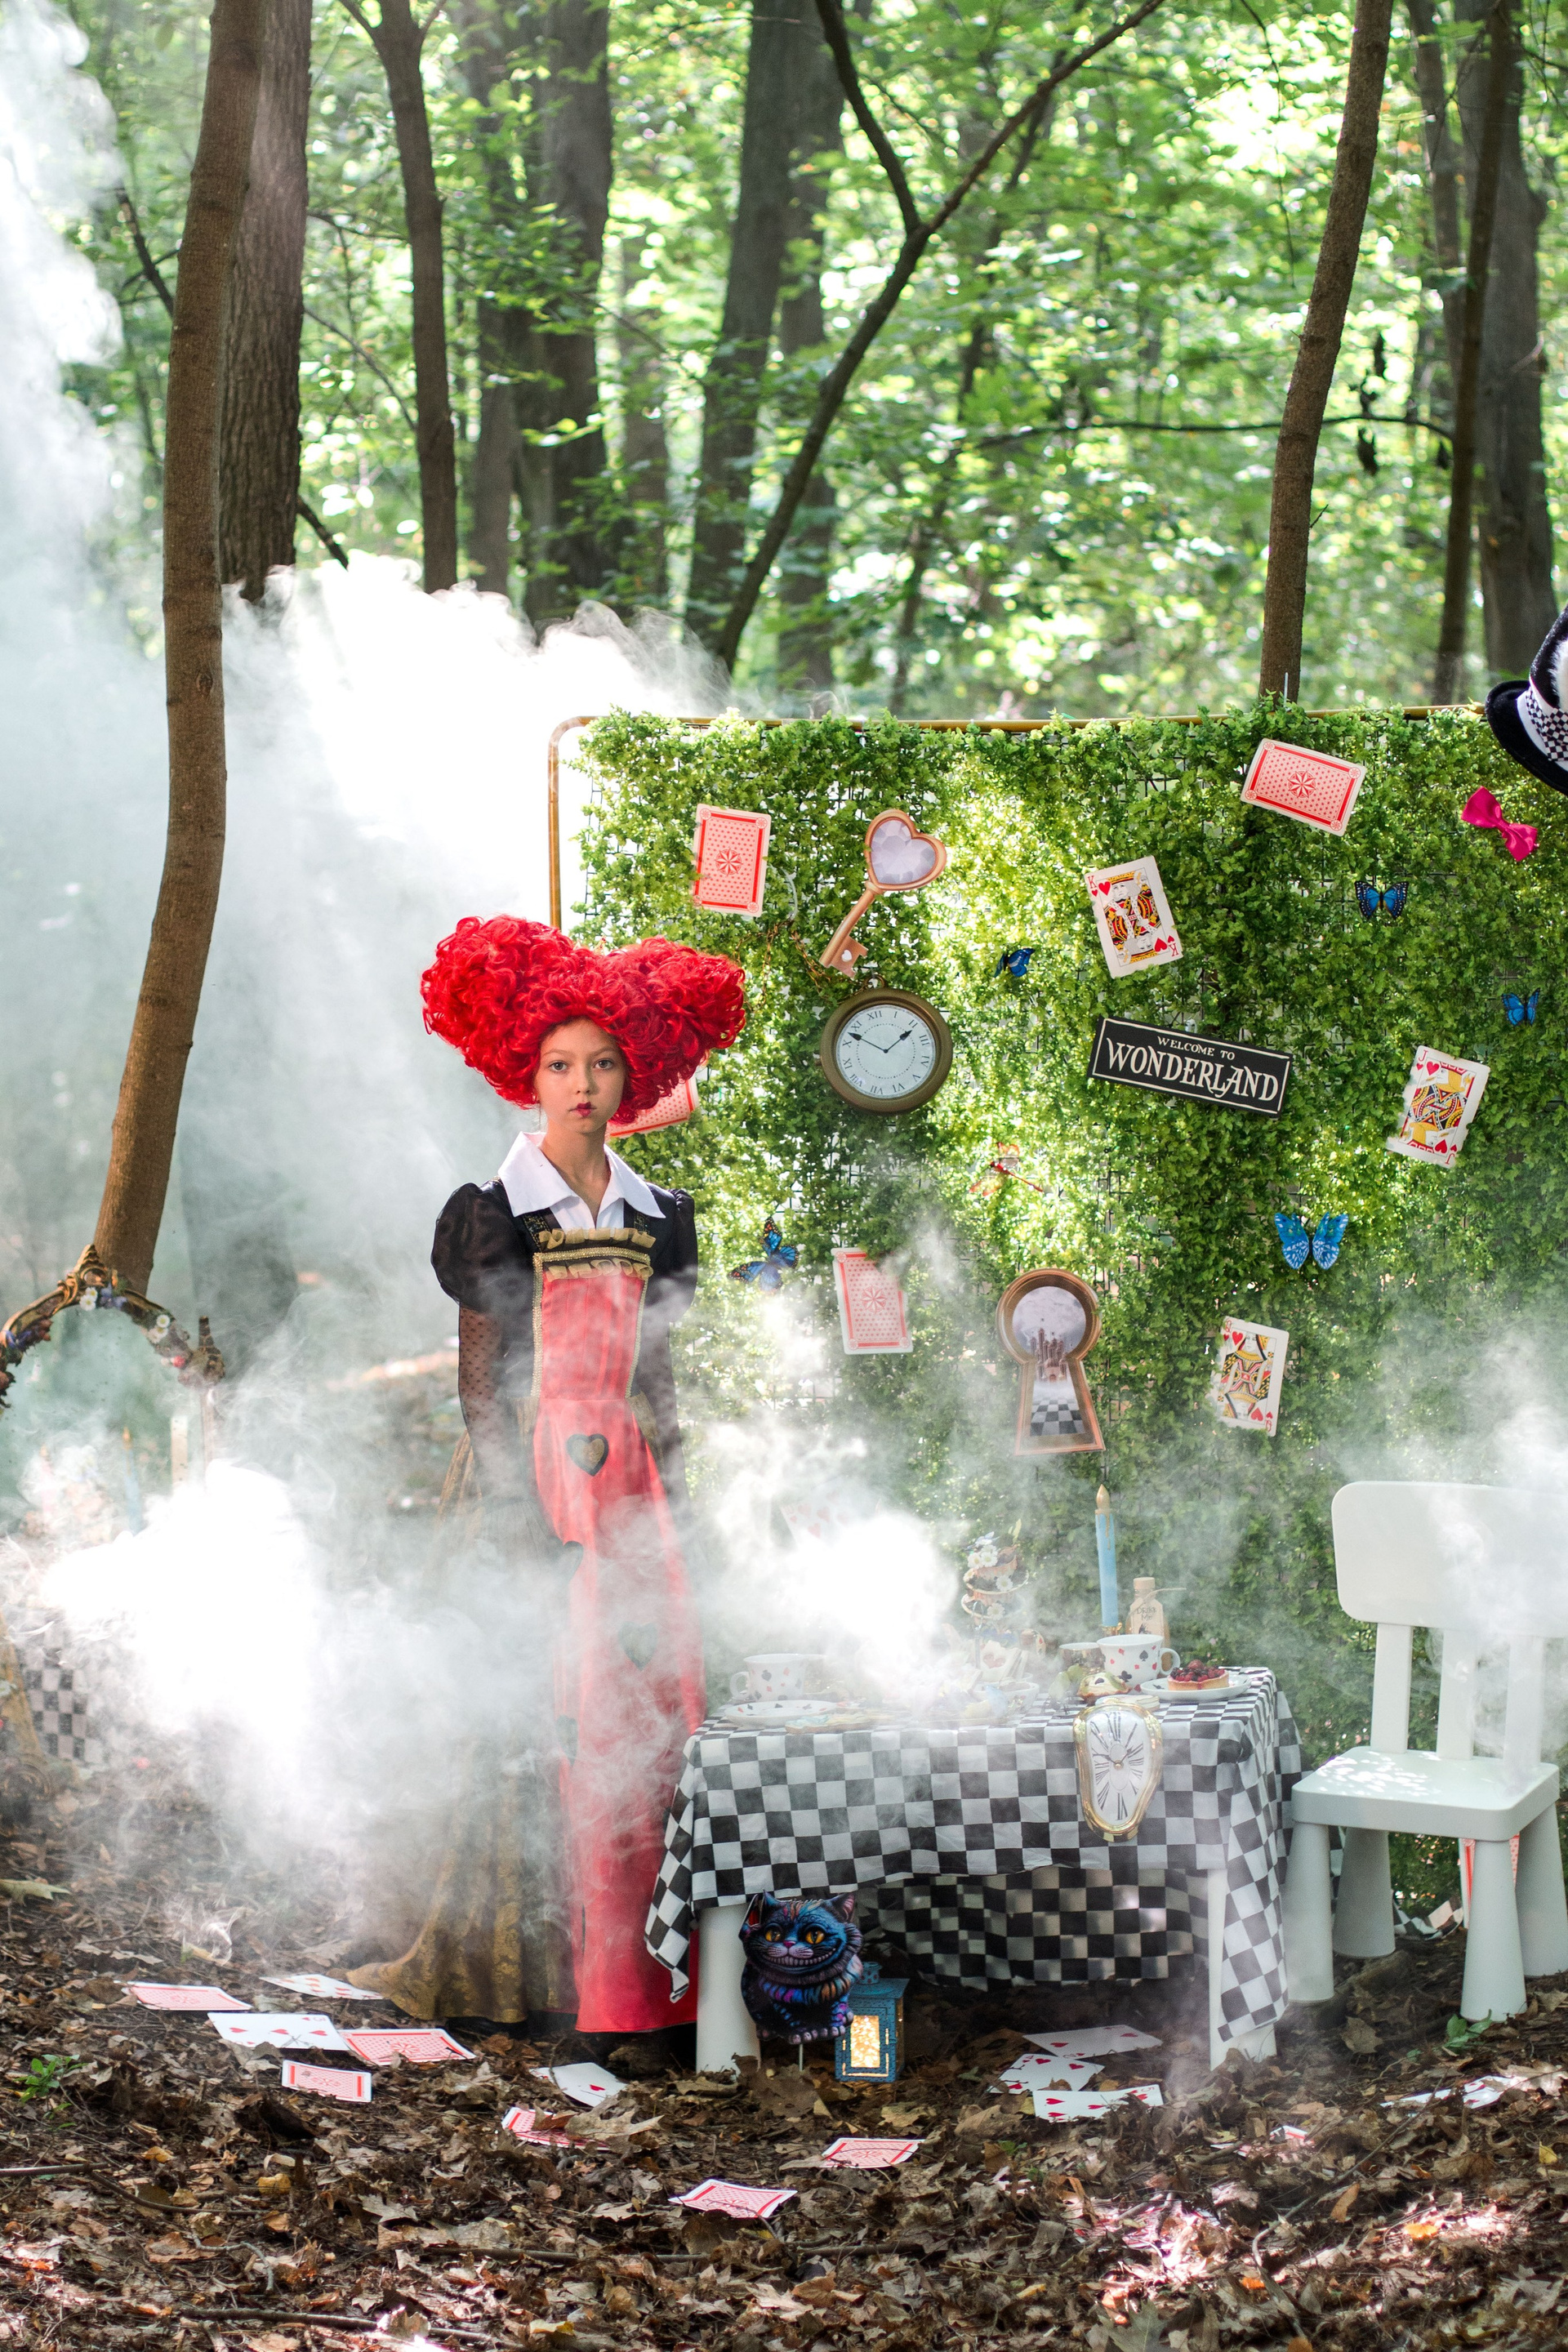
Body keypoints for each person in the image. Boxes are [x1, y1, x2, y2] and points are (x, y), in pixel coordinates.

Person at [349, 917, 744, 2034]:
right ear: (527, 1073)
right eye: (561, 1064)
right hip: (535, 1473)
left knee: (653, 1709)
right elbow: (482, 1386)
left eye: (603, 1063)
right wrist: (514, 1516)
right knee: (565, 1714)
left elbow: (657, 1377)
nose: (583, 1084)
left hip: (632, 1487)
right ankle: (576, 1987)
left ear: (634, 1076)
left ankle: (668, 1989)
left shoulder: (657, 1213)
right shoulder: (495, 1210)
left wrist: (679, 1494)